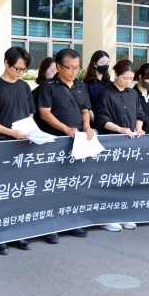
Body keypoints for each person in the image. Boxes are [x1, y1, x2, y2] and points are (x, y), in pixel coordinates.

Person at [0, 46, 36, 254]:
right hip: (2, 145)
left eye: (24, 70)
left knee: (20, 192)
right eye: (18, 68)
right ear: (6, 63)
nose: (21, 73)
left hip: (23, 144)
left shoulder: (24, 87)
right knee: (1, 192)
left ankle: (16, 233)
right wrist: (12, 132)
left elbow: (30, 115)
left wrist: (31, 132)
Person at [38, 48, 94, 241]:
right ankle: (49, 226)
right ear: (59, 66)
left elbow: (85, 110)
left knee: (73, 184)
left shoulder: (81, 86)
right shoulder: (48, 86)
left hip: (78, 141)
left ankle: (70, 223)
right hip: (56, 141)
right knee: (53, 185)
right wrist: (66, 129)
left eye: (77, 67)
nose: (73, 71)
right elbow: (45, 113)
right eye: (69, 67)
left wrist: (86, 126)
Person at [93, 60, 147, 233]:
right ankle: (106, 218)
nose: (128, 81)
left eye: (131, 78)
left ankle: (123, 213)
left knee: (126, 181)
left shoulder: (133, 94)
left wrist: (139, 127)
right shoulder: (105, 94)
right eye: (125, 78)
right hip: (111, 142)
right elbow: (101, 119)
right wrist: (120, 129)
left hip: (129, 143)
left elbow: (140, 114)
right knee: (110, 181)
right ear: (116, 75)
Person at [83, 51, 111, 124]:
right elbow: (87, 108)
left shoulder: (110, 84)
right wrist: (98, 123)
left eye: (107, 63)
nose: (105, 65)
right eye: (102, 63)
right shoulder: (85, 85)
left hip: (110, 123)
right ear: (95, 64)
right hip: (93, 124)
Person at [32, 57, 57, 131]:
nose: (55, 73)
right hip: (43, 130)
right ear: (44, 71)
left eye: (57, 70)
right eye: (52, 70)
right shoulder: (35, 93)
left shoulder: (60, 89)